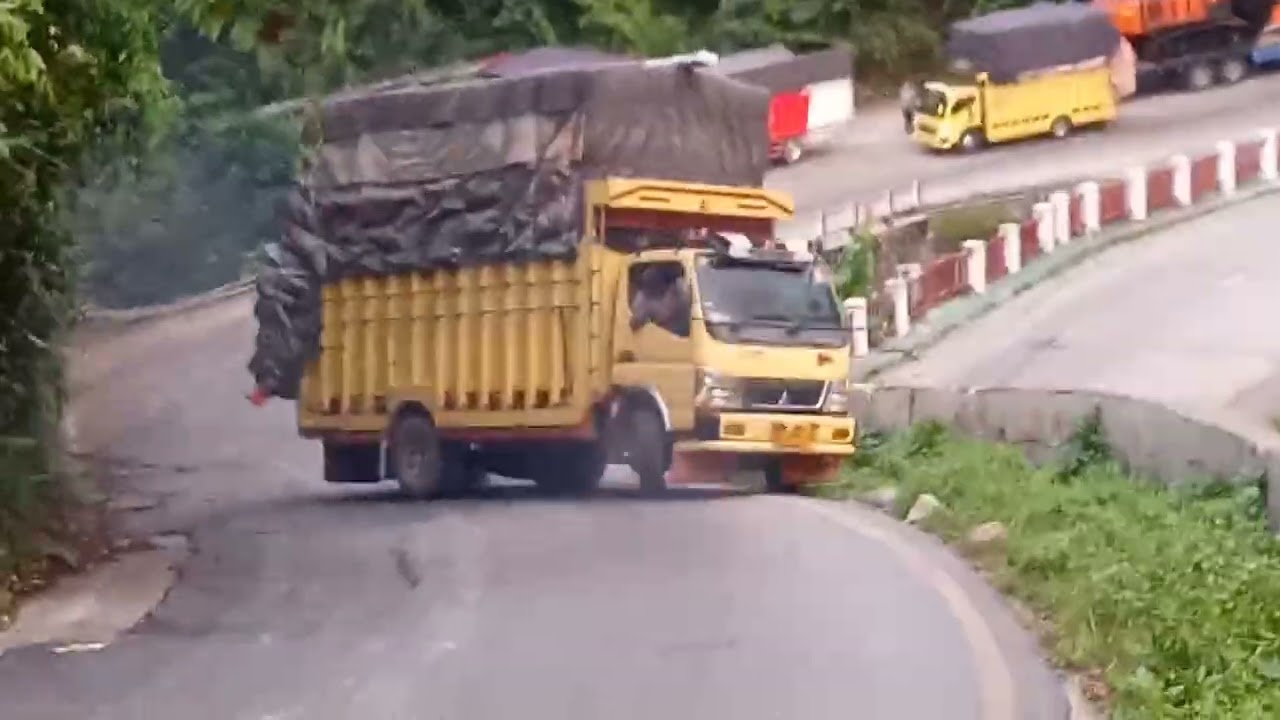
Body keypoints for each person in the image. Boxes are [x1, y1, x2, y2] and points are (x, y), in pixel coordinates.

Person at [630, 265, 690, 337]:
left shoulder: (677, 288)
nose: (653, 286)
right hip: (664, 336)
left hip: (688, 332)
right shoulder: (643, 298)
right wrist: (643, 317)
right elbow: (634, 323)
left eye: (656, 281)